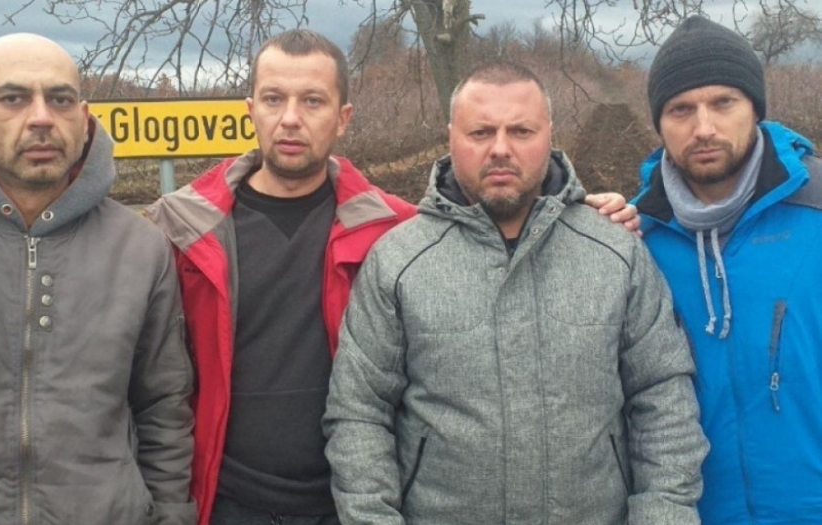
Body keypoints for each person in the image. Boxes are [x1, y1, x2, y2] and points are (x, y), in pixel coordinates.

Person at [146, 30, 640, 525]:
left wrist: (580, 213)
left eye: (313, 101)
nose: (290, 118)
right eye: (274, 99)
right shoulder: (185, 232)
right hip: (226, 501)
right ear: (251, 109)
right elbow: (155, 392)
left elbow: (500, 227)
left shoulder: (396, 230)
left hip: (350, 502)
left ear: (343, 118)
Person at [322, 61, 708, 525]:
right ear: (451, 137)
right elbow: (359, 413)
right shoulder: (398, 261)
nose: (501, 149)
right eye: (481, 132)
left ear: (549, 135)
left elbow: (662, 397)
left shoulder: (615, 251)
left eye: (521, 131)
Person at [0, 33, 196, 524]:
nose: (41, 117)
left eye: (60, 99)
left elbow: (164, 410)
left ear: (84, 117)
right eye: (13, 98)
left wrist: (170, 516)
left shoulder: (140, 247)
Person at [634, 15, 822, 525]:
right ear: (659, 122)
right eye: (680, 109)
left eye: (723, 102)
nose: (704, 128)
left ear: (755, 108)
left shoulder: (817, 209)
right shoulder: (636, 239)